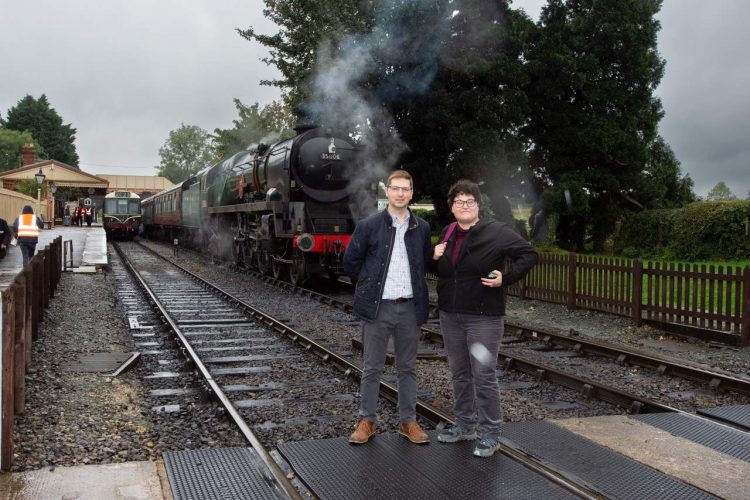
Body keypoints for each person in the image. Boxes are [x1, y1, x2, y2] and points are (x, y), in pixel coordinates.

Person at [431, 179, 537, 458]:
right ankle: (465, 425)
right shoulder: (449, 232)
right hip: (450, 314)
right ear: (451, 207)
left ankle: (490, 434)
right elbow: (445, 271)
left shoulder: (498, 232)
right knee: (459, 373)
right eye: (458, 202)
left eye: (469, 201)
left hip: (483, 318)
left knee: (484, 374)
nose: (463, 206)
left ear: (478, 205)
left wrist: (506, 278)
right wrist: (434, 256)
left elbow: (529, 254)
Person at [343, 170, 433, 445]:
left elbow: (425, 264)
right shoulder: (369, 225)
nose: (400, 193)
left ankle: (408, 422)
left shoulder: (422, 228)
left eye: (406, 189)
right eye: (396, 188)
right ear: (387, 191)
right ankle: (367, 420)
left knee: (407, 368)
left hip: (409, 307)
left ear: (412, 193)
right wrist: (370, 287)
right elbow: (351, 263)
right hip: (378, 308)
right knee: (372, 367)